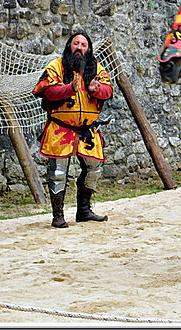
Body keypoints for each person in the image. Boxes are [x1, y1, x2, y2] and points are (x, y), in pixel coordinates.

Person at [32, 32, 113, 228]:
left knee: (94, 169)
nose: (79, 47)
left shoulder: (96, 69)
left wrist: (95, 90)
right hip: (61, 129)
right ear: (69, 46)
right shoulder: (55, 67)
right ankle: (58, 216)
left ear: (89, 49)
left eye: (84, 44)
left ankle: (84, 211)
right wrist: (69, 88)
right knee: (58, 173)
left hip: (88, 131)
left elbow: (108, 90)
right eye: (76, 43)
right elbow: (48, 92)